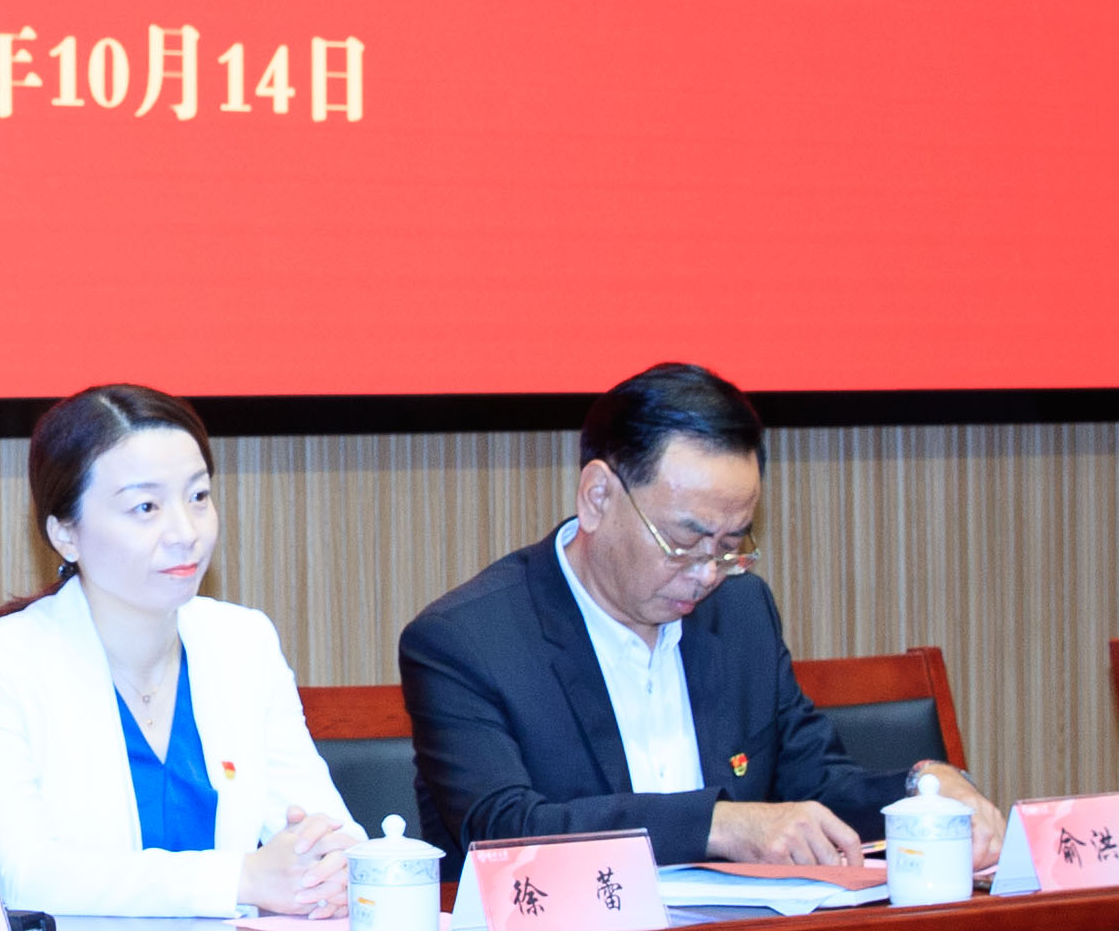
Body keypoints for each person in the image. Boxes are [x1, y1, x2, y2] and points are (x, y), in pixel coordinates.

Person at [400, 363, 1005, 869]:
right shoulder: (467, 640)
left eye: (731, 544)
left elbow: (816, 785)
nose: (708, 572)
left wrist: (922, 788)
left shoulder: (740, 613)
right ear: (598, 498)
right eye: (684, 541)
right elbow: (506, 829)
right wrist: (716, 825)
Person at [0, 386, 356, 920]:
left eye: (198, 497)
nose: (186, 533)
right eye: (146, 507)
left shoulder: (243, 642)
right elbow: (23, 878)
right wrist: (242, 878)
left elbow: (328, 833)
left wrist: (334, 865)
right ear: (66, 534)